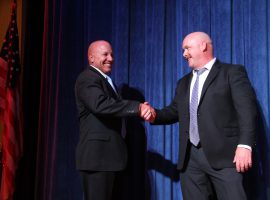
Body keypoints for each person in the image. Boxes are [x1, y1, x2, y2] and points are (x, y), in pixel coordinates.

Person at [146, 32, 257, 200]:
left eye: (187, 48)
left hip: (226, 156)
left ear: (203, 46)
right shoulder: (183, 82)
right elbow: (174, 111)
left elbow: (247, 111)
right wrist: (153, 115)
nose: (184, 54)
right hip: (190, 159)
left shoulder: (232, 72)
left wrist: (245, 145)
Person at [74, 40, 152, 200]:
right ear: (91, 58)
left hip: (111, 160)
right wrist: (137, 108)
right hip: (98, 160)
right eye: (105, 54)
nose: (110, 58)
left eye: (112, 54)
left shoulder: (107, 81)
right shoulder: (87, 78)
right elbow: (101, 104)